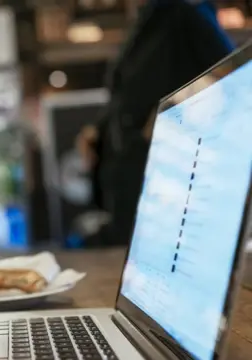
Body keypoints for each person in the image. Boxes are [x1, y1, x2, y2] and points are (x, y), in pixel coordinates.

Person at [75, 0, 234, 246]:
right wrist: (98, 128)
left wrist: (174, 111)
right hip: (128, 177)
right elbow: (125, 92)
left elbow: (230, 73)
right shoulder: (147, 18)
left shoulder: (188, 13)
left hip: (165, 180)